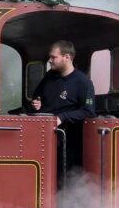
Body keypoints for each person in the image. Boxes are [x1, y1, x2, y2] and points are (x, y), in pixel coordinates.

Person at [30, 41, 95, 174]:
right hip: (41, 134)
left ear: (67, 57)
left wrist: (62, 117)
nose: (49, 60)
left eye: (53, 57)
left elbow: (88, 111)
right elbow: (37, 96)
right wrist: (36, 103)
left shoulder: (83, 82)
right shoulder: (49, 76)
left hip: (66, 140)